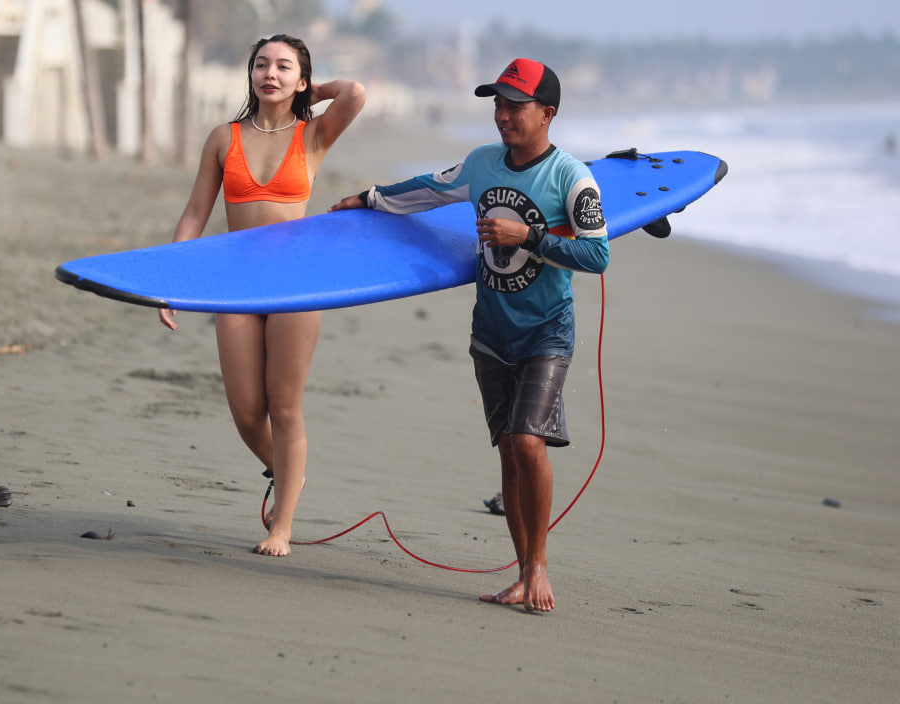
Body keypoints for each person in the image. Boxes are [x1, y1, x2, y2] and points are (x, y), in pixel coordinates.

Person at [330, 58, 608, 611]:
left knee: (529, 441)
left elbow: (597, 254)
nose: (503, 115)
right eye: (498, 105)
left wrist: (527, 234)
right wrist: (369, 199)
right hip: (491, 332)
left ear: (547, 113)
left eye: (515, 105)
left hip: (547, 331)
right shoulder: (482, 164)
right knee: (508, 450)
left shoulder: (571, 178)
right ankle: (522, 574)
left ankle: (540, 569)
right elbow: (429, 190)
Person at [160, 35, 366, 557]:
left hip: (296, 284)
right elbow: (194, 214)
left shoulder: (314, 134)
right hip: (236, 285)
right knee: (246, 409)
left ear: (300, 78)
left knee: (284, 405)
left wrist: (312, 92)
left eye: (282, 67)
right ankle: (288, 471)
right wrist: (171, 279)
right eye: (260, 65)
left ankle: (283, 526)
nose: (268, 74)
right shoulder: (223, 138)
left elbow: (356, 94)